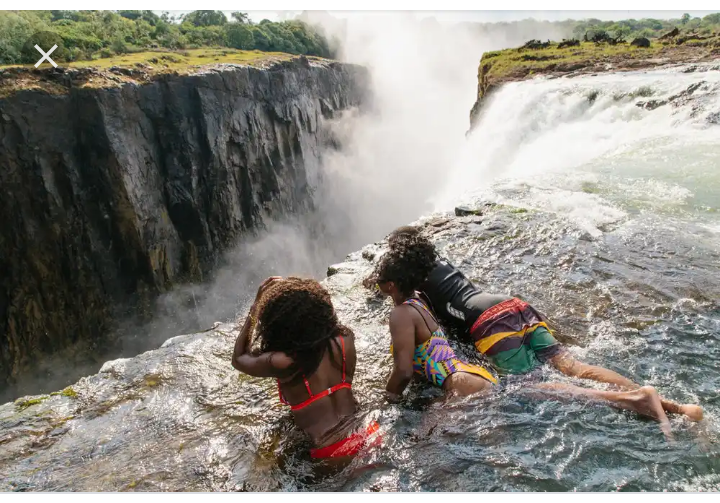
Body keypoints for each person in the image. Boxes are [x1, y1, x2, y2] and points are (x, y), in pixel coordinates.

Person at [368, 226, 703, 424]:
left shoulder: (409, 282)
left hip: (487, 324)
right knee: (570, 365)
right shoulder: (433, 262)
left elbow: (385, 289)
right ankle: (674, 406)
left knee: (527, 384)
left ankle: (636, 401)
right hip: (512, 305)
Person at [232, 276, 380, 461]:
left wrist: (254, 309)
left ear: (281, 326)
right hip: (367, 431)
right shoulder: (345, 340)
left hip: (329, 452)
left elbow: (239, 358)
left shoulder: (284, 362)